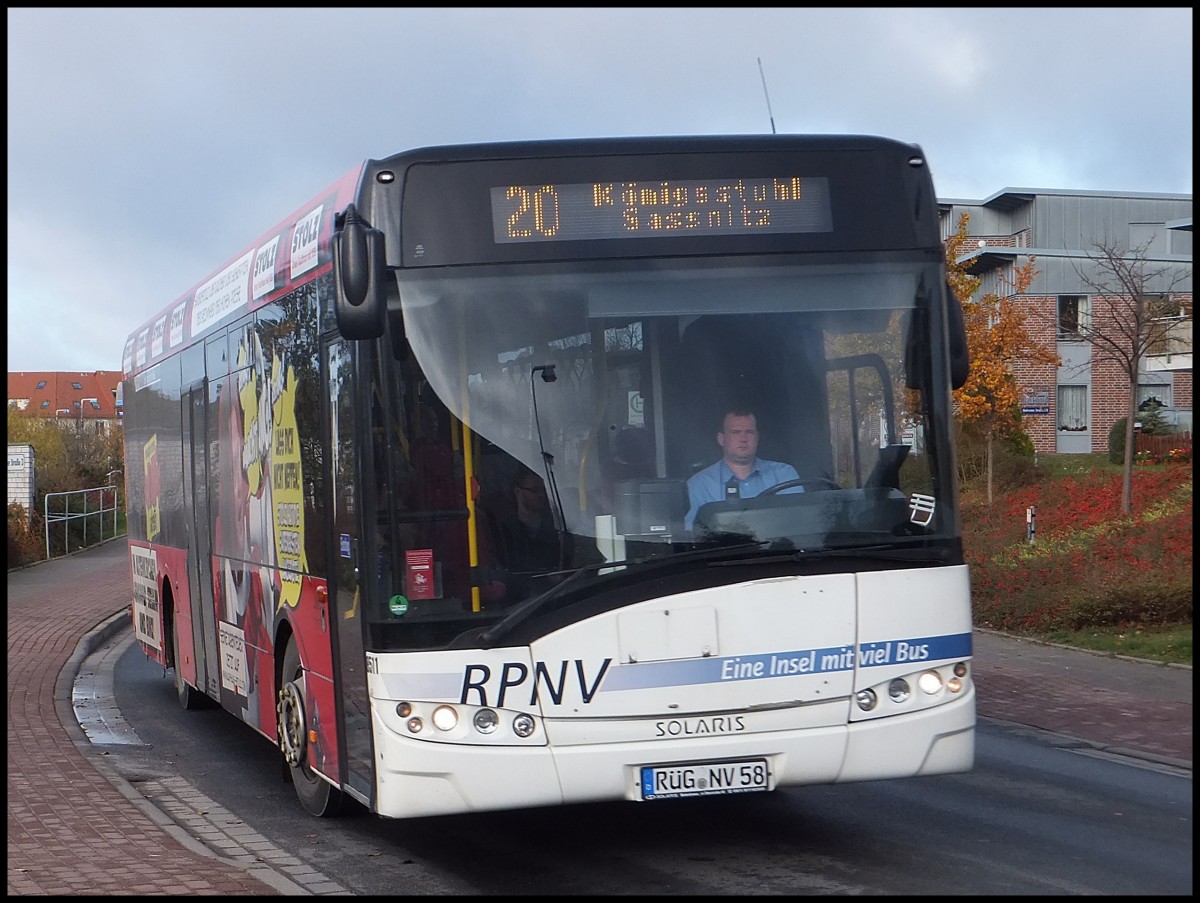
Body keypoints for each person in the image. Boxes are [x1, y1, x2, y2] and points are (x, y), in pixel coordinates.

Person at [684, 409, 801, 529]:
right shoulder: (699, 484)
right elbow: (693, 535)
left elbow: (799, 522)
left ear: (757, 438)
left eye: (749, 432)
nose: (743, 439)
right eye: (735, 432)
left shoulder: (784, 474)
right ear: (721, 439)